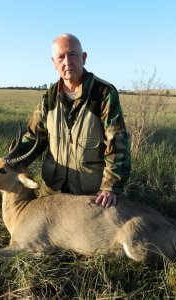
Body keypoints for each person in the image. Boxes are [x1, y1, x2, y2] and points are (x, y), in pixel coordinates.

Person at [17, 33, 131, 208]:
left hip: (90, 193)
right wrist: (8, 162)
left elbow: (117, 142)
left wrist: (110, 187)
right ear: (53, 63)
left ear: (83, 58)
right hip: (52, 191)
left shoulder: (104, 93)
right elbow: (34, 138)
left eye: (73, 55)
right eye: (61, 57)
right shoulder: (49, 98)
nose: (67, 62)